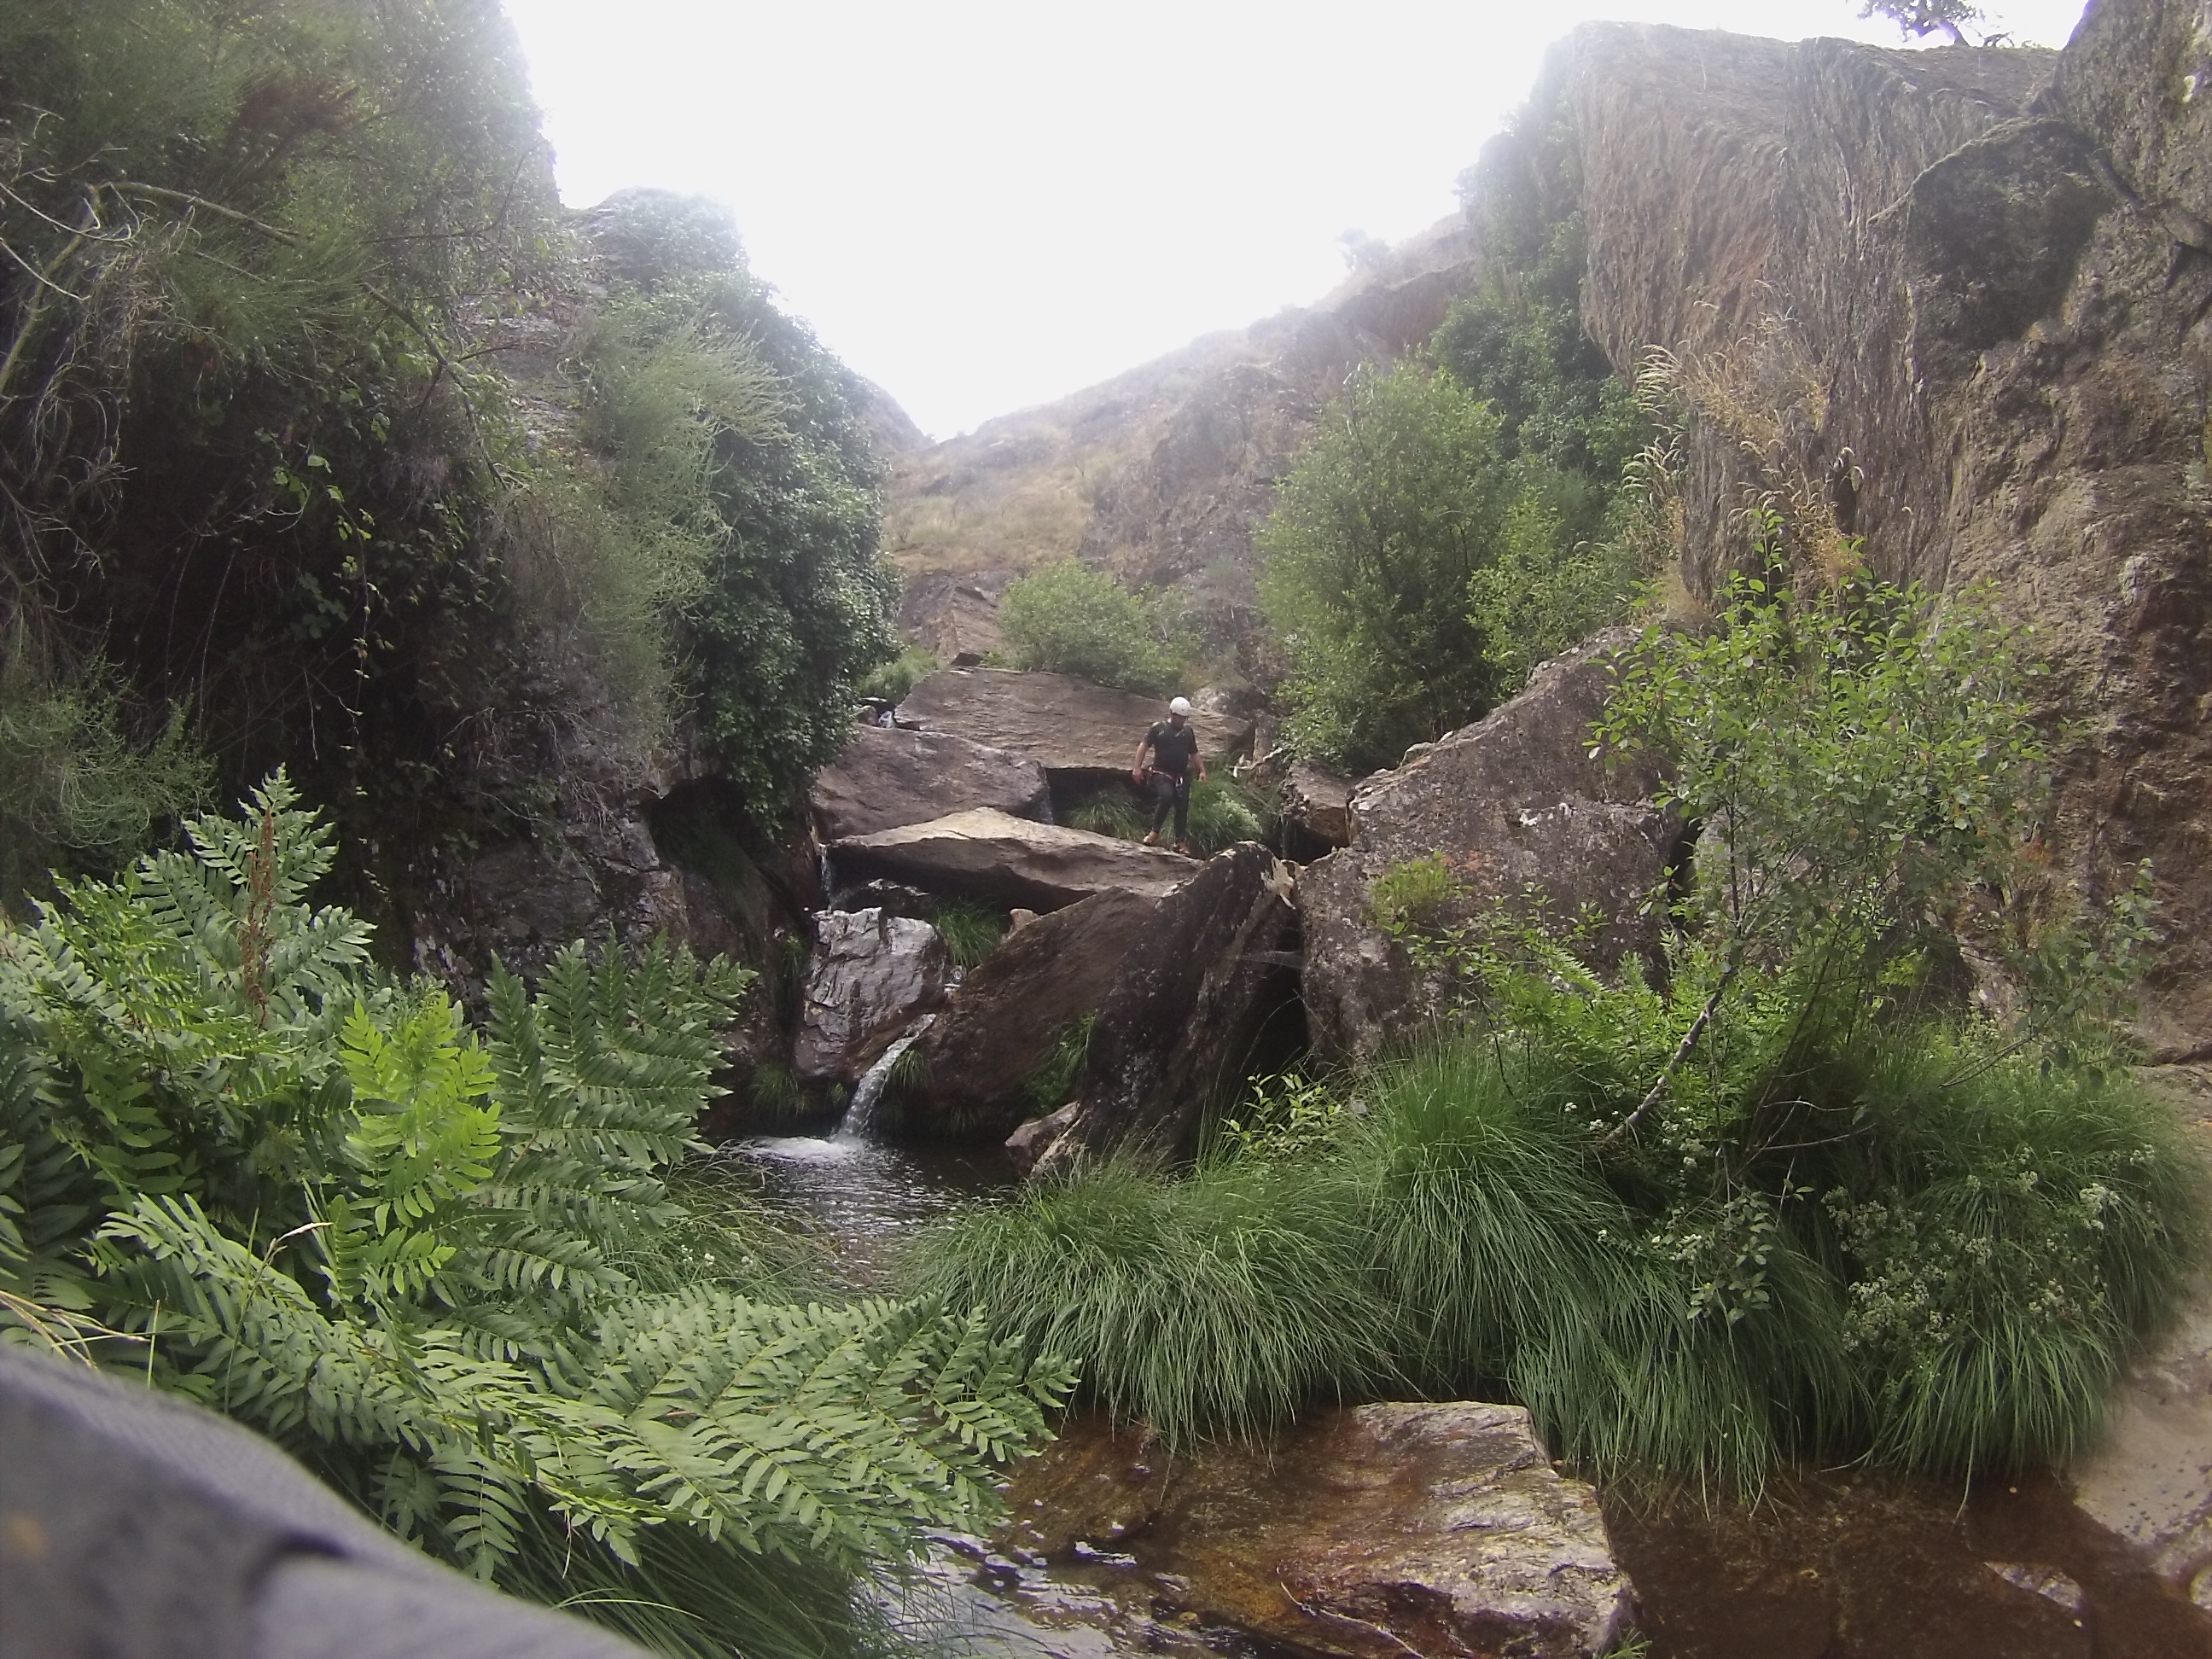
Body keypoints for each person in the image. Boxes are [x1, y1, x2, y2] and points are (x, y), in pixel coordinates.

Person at [1132, 695, 1207, 854]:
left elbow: (1194, 753)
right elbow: (1143, 746)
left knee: (1182, 806)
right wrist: (1137, 768)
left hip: (1180, 775)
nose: (1182, 721)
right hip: (1161, 772)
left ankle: (1180, 842)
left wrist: (1202, 770)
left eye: (1184, 718)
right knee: (1167, 797)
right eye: (1179, 717)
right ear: (1172, 714)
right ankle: (1154, 832)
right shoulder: (1158, 728)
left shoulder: (1188, 732)